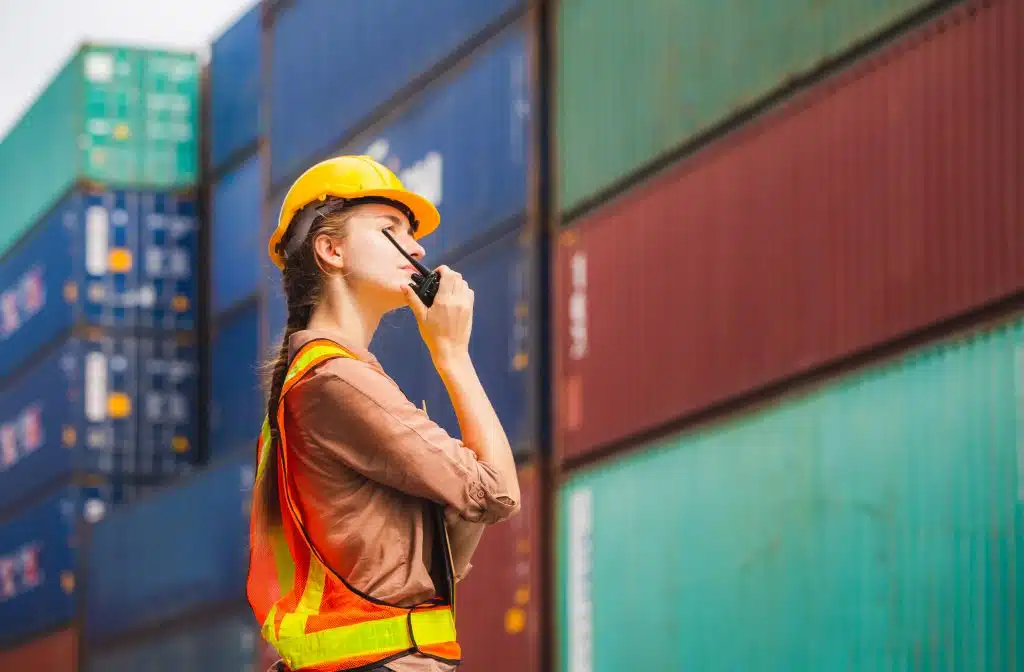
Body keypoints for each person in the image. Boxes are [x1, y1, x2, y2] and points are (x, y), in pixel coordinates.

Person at [246, 155, 522, 672]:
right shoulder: (335, 381)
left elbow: (449, 534)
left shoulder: (325, 378)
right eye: (390, 228)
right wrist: (452, 355)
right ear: (331, 250)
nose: (417, 248)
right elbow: (498, 491)